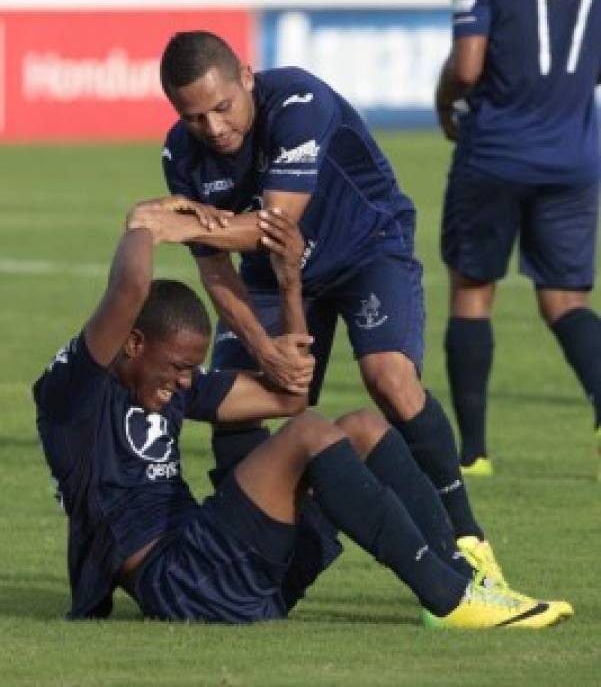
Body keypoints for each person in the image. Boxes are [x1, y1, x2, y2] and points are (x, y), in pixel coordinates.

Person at [32, 199, 571, 628]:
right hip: (179, 580)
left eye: (189, 371)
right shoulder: (74, 391)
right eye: (174, 367)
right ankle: (450, 600)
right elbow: (129, 288)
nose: (182, 382)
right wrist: (143, 224)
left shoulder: (172, 386)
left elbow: (289, 396)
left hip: (228, 571)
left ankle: (468, 583)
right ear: (131, 344)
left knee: (360, 426)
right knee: (309, 435)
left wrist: (290, 284)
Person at [159, 29, 506, 581]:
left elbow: (277, 223)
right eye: (195, 117)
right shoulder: (181, 152)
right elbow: (215, 268)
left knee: (389, 377)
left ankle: (466, 537)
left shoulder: (299, 102)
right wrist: (260, 347)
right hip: (272, 272)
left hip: (367, 248)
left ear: (246, 76)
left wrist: (174, 227)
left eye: (222, 108)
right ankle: (253, 559)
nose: (214, 129)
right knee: (243, 400)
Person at [435, 0, 601, 477]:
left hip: (496, 153)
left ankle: (472, 452)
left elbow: (469, 65)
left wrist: (441, 96)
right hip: (574, 157)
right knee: (565, 300)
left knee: (472, 291)